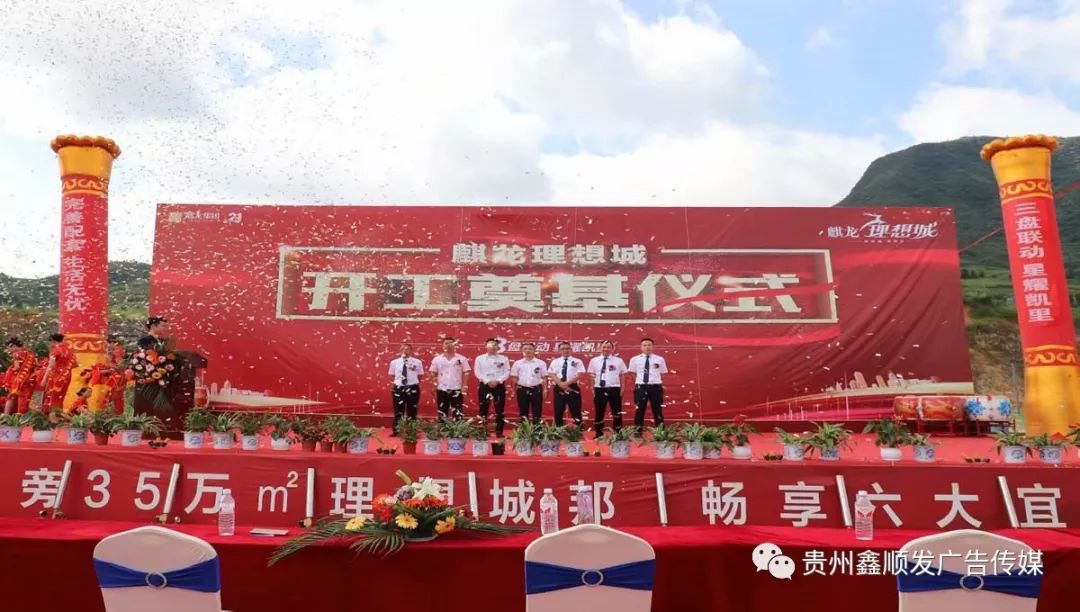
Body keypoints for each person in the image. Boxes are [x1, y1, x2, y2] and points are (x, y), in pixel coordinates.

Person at [587, 340, 627, 436]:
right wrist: (592, 388)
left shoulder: (619, 361)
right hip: (599, 389)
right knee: (599, 411)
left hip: (614, 389)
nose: (606, 349)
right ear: (600, 348)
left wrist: (622, 387)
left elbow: (622, 375)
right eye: (604, 347)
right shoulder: (594, 360)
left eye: (608, 347)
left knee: (616, 412)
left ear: (612, 349)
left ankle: (618, 433)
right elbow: (592, 375)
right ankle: (598, 433)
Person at [627, 337, 668, 429]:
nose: (647, 347)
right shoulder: (634, 359)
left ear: (653, 346)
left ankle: (660, 432)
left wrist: (655, 381)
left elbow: (663, 373)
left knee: (657, 410)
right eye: (645, 345)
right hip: (640, 388)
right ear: (641, 347)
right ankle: (638, 431)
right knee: (639, 410)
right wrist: (640, 381)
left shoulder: (660, 359)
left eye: (649, 345)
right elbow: (632, 373)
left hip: (655, 388)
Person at [473, 338, 510, 437]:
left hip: (499, 386)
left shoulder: (504, 358)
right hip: (485, 385)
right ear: (486, 346)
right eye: (490, 345)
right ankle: (482, 432)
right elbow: (477, 372)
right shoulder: (480, 358)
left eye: (495, 345)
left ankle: (499, 432)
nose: (493, 347)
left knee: (500, 410)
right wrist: (487, 381)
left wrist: (498, 380)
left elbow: (507, 372)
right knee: (483, 409)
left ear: (498, 347)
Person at [428, 337, 470, 420]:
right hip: (442, 389)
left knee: (457, 413)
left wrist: (465, 385)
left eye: (451, 343)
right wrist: (433, 385)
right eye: (446, 343)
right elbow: (433, 372)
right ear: (443, 345)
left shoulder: (462, 358)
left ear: (455, 345)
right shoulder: (437, 359)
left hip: (456, 389)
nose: (448, 345)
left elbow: (466, 372)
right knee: (442, 412)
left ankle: (458, 428)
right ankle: (442, 428)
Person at [547, 341, 585, 427]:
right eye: (563, 349)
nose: (565, 350)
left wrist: (566, 384)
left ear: (571, 349)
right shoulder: (555, 361)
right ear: (559, 351)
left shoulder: (577, 361)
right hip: (559, 388)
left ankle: (578, 431)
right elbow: (551, 373)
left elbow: (580, 374)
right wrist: (560, 384)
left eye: (567, 348)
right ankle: (558, 431)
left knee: (576, 410)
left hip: (573, 388)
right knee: (558, 410)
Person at [387, 343, 423, 434]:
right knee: (398, 410)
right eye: (403, 349)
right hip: (399, 388)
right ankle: (397, 430)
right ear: (399, 351)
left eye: (407, 349)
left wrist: (411, 383)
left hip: (412, 387)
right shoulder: (394, 362)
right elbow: (392, 375)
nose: (405, 351)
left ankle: (411, 431)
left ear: (411, 351)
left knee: (412, 410)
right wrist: (401, 383)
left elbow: (420, 375)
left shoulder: (417, 362)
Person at [510, 342, 546, 424]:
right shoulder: (517, 363)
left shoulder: (541, 363)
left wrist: (545, 390)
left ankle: (536, 430)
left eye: (530, 349)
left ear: (534, 350)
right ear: (522, 350)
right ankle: (524, 430)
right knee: (523, 413)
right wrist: (513, 390)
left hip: (536, 390)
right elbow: (514, 378)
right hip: (522, 389)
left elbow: (544, 377)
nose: (527, 351)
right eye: (525, 349)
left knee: (537, 412)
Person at [40, 333, 76, 412]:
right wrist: (64, 367)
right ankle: (57, 416)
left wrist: (44, 379)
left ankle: (52, 417)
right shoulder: (71, 351)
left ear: (53, 341)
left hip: (55, 378)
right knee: (60, 398)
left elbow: (50, 366)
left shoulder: (55, 351)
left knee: (52, 398)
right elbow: (75, 364)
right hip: (66, 377)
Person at [3, 338, 37, 415]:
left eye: (9, 348)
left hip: (19, 379)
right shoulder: (30, 354)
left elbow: (17, 367)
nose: (9, 350)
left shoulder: (17, 354)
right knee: (25, 399)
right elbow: (36, 365)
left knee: (11, 397)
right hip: (28, 379)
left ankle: (6, 415)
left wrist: (11, 369)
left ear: (14, 346)